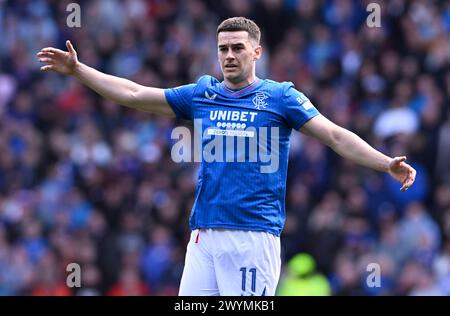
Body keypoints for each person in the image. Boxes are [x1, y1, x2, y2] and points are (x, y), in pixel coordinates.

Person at [37, 17, 416, 296]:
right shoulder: (202, 94)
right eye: (223, 49)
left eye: (237, 48)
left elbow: (334, 135)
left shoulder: (280, 97)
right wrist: (79, 70)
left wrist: (385, 162)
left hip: (252, 235)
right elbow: (135, 94)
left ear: (256, 51)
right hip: (203, 236)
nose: (229, 56)